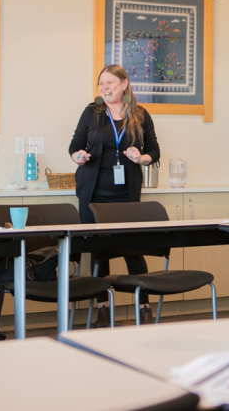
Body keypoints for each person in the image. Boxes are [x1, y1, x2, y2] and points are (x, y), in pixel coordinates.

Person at [69, 64, 160, 326]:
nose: (105, 88)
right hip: (94, 194)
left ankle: (143, 308)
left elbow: (154, 150)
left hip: (126, 197)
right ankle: (103, 309)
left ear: (123, 84)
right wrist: (78, 156)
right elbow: (75, 145)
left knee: (133, 250)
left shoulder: (140, 114)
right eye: (101, 84)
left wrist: (141, 157)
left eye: (109, 83)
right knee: (99, 251)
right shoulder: (92, 113)